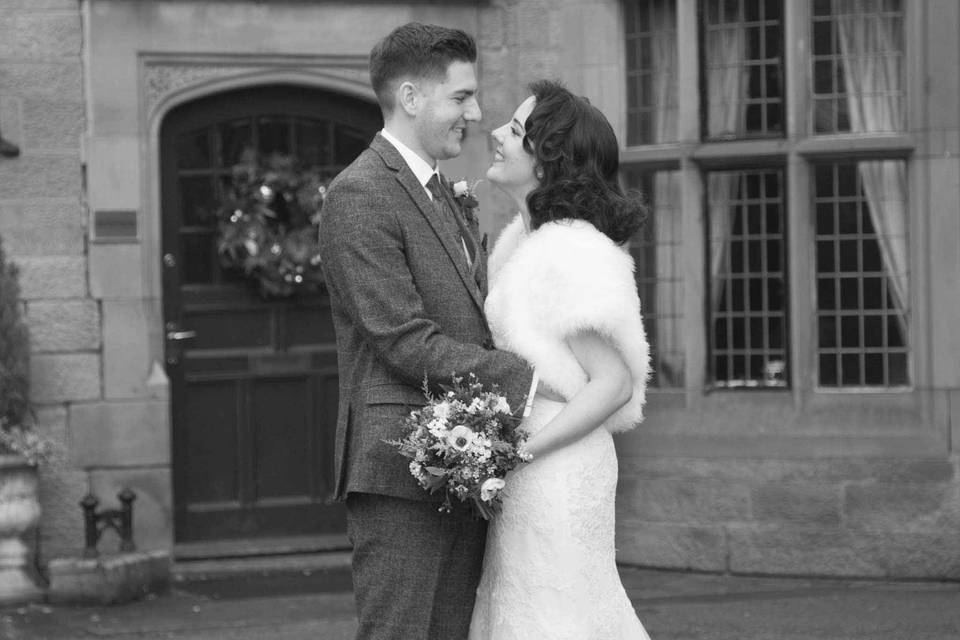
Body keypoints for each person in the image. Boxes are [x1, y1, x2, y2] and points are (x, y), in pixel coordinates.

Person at [318, 23, 536, 640]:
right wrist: (534, 377)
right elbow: (404, 339)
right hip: (396, 469)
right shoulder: (360, 193)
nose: (476, 112)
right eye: (462, 97)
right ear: (411, 98)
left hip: (460, 459)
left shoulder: (438, 191)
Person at [468, 80, 653, 639]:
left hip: (557, 463)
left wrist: (517, 453)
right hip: (529, 463)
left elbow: (614, 383)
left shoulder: (570, 249)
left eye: (516, 130)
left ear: (548, 162)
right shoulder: (520, 245)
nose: (497, 135)